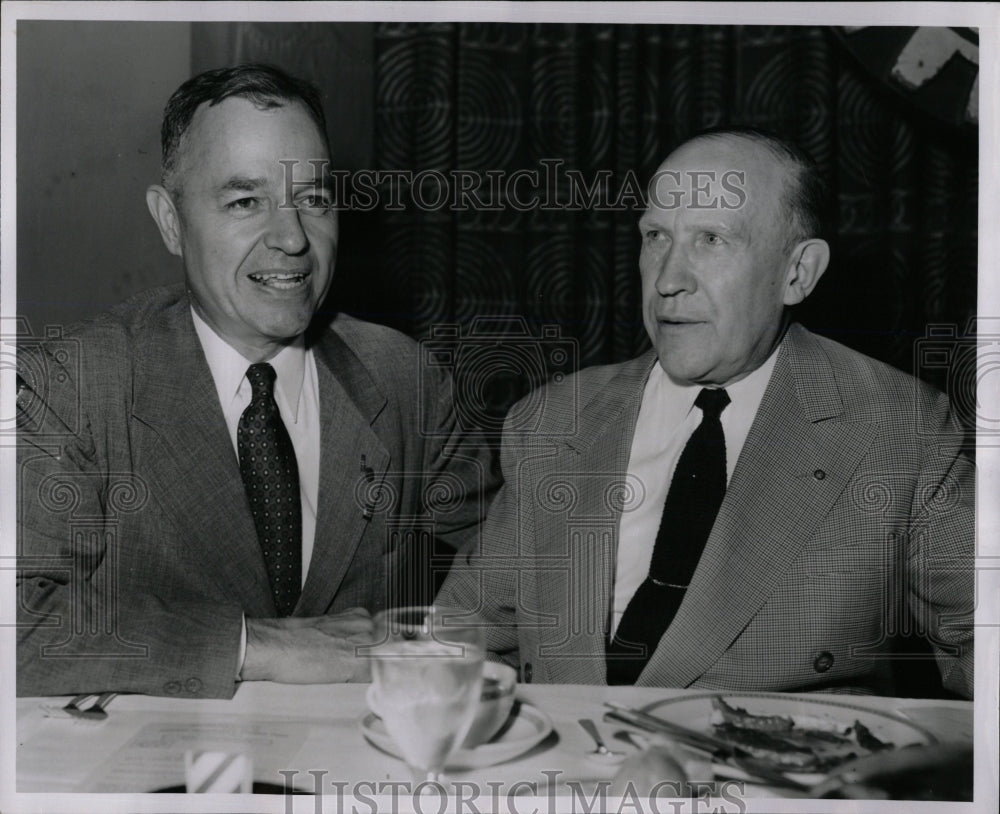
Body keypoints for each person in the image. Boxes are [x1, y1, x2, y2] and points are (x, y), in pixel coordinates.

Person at [437, 128, 974, 698]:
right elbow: (463, 636)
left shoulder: (898, 429)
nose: (668, 280)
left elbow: (983, 643)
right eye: (655, 237)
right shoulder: (553, 420)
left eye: (711, 240)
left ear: (798, 273)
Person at [16, 64, 498, 698]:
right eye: (245, 201)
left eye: (315, 199)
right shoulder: (73, 386)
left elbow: (517, 572)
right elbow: (15, 622)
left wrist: (428, 651)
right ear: (170, 221)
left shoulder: (403, 376)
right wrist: (254, 645)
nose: (293, 238)